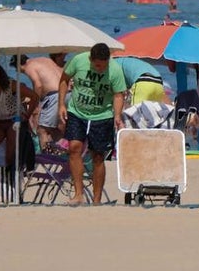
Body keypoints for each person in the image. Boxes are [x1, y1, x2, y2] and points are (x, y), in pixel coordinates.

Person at [58, 43, 127, 205]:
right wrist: (61, 104)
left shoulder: (115, 70)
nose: (101, 69)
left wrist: (117, 115)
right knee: (74, 148)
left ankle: (96, 200)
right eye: (97, 66)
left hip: (102, 115)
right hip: (77, 112)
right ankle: (78, 194)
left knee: (97, 157)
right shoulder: (78, 60)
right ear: (90, 59)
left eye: (104, 66)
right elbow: (64, 79)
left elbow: (118, 95)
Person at [20, 52, 66, 149]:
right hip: (67, 93)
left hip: (55, 95)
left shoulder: (29, 66)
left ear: (19, 65)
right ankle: (59, 154)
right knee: (57, 129)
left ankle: (47, 156)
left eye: (20, 71)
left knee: (42, 130)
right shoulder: (45, 60)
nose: (22, 73)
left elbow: (38, 85)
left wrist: (36, 104)